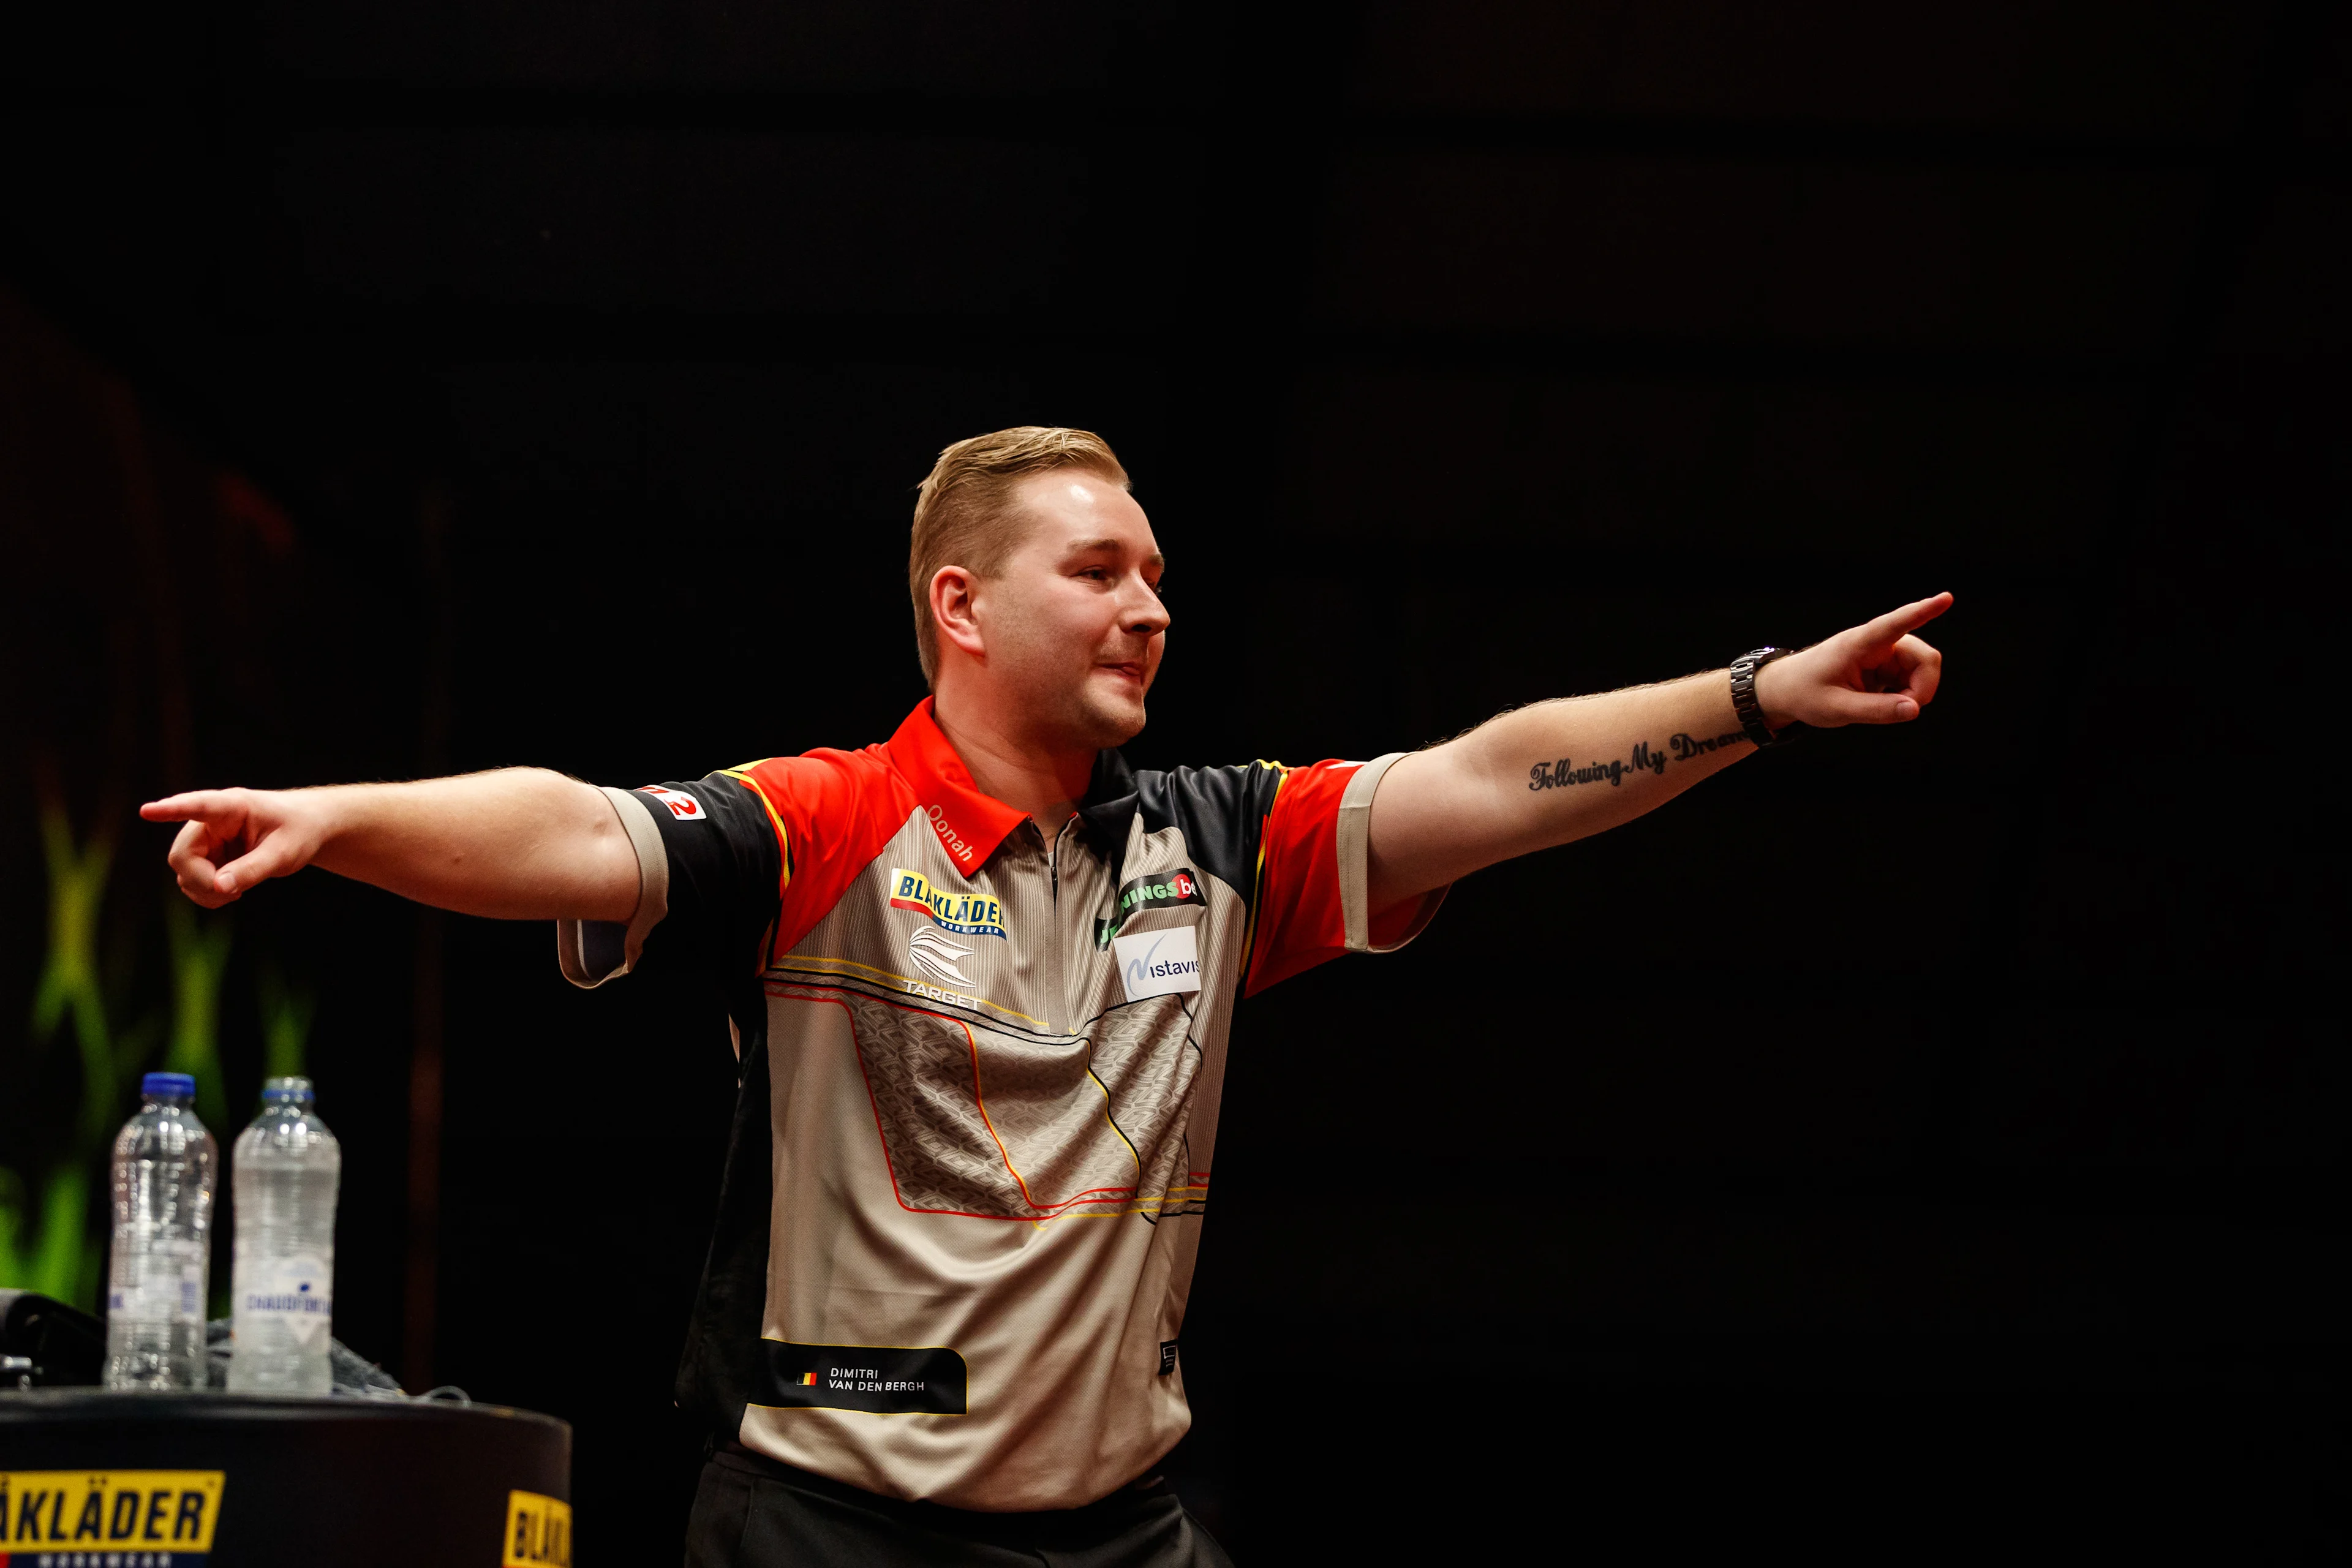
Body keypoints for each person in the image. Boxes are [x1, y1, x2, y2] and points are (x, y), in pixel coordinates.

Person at [143, 426, 1948, 1566]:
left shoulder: (1228, 846)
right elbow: (578, 832)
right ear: (965, 608)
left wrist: (1756, 698)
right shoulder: (830, 822)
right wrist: (337, 822)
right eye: (1101, 571)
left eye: (1157, 574)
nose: (1151, 607)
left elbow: (1495, 771)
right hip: (825, 1529)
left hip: (1125, 1536)